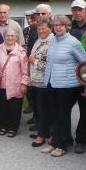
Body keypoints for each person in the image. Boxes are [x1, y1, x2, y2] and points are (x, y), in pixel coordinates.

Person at [43, 15, 86, 157]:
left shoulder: (73, 42)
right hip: (52, 82)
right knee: (54, 113)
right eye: (55, 25)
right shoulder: (52, 40)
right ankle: (55, 141)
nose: (58, 27)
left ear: (67, 27)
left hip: (67, 85)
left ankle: (62, 145)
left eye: (61, 25)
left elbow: (84, 62)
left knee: (63, 114)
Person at [68, 0, 86, 153]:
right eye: (75, 10)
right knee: (64, 108)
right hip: (69, 74)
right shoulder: (68, 27)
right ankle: (65, 136)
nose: (77, 13)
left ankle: (81, 141)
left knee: (85, 111)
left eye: (80, 10)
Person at [0, 29, 29, 137]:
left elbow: (25, 70)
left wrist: (24, 83)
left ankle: (13, 128)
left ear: (16, 37)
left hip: (16, 85)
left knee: (15, 108)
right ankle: (3, 126)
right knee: (2, 106)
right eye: (8, 36)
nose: (10, 38)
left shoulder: (21, 51)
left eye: (12, 36)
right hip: (2, 84)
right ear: (4, 36)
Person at [28, 18, 52, 148]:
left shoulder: (52, 42)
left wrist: (34, 62)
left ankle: (42, 136)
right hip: (35, 81)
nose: (41, 31)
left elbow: (50, 64)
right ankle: (43, 132)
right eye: (39, 29)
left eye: (43, 28)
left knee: (43, 110)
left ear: (50, 28)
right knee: (38, 109)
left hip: (44, 82)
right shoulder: (39, 40)